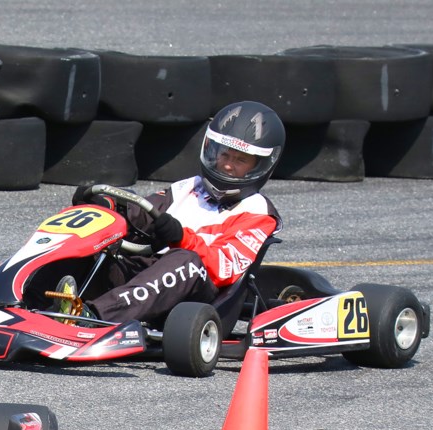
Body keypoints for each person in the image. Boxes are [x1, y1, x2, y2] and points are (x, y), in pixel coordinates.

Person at [67, 100, 285, 325]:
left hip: (199, 297)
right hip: (147, 280)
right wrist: (106, 206)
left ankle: (94, 318)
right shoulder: (189, 187)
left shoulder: (258, 212)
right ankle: (35, 299)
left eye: (240, 160)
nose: (228, 165)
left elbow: (223, 266)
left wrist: (181, 237)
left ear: (260, 166)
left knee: (185, 260)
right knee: (92, 241)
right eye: (225, 155)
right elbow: (141, 214)